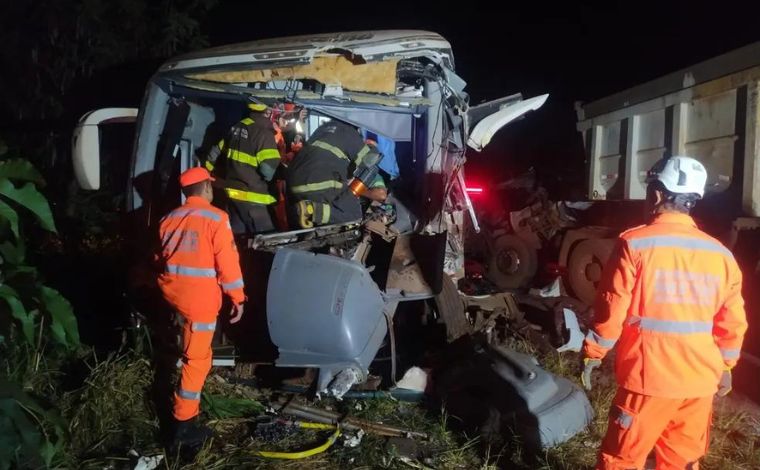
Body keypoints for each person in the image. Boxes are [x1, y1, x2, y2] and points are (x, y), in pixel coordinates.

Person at [581, 155, 747, 469]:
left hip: (648, 381)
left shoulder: (634, 244)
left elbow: (612, 308)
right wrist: (726, 366)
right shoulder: (721, 255)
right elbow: (732, 321)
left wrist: (593, 353)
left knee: (621, 461)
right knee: (682, 462)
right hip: (698, 383)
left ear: (657, 195)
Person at [156, 167, 246, 447]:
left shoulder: (168, 219)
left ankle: (184, 418)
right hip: (200, 301)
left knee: (189, 348)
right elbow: (228, 263)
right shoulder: (216, 218)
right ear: (206, 187)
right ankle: (183, 428)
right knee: (197, 360)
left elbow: (160, 257)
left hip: (173, 294)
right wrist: (238, 297)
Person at [286, 119, 387, 228]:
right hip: (318, 181)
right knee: (353, 215)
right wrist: (372, 148)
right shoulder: (348, 132)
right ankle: (313, 211)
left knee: (328, 213)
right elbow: (369, 161)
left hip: (294, 183)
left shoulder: (323, 129)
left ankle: (307, 212)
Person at [205, 102, 280, 235]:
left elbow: (213, 155)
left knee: (238, 240)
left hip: (232, 196)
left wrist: (206, 173)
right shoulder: (264, 134)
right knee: (266, 241)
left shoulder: (235, 128)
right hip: (253, 197)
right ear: (268, 112)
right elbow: (268, 172)